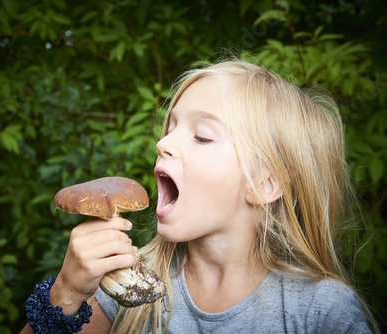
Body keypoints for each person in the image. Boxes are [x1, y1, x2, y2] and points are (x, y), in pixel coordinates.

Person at [21, 60, 379, 333]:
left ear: (263, 184)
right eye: (171, 126)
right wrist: (67, 291)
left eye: (202, 136)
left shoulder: (321, 310)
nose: (163, 143)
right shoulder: (121, 284)